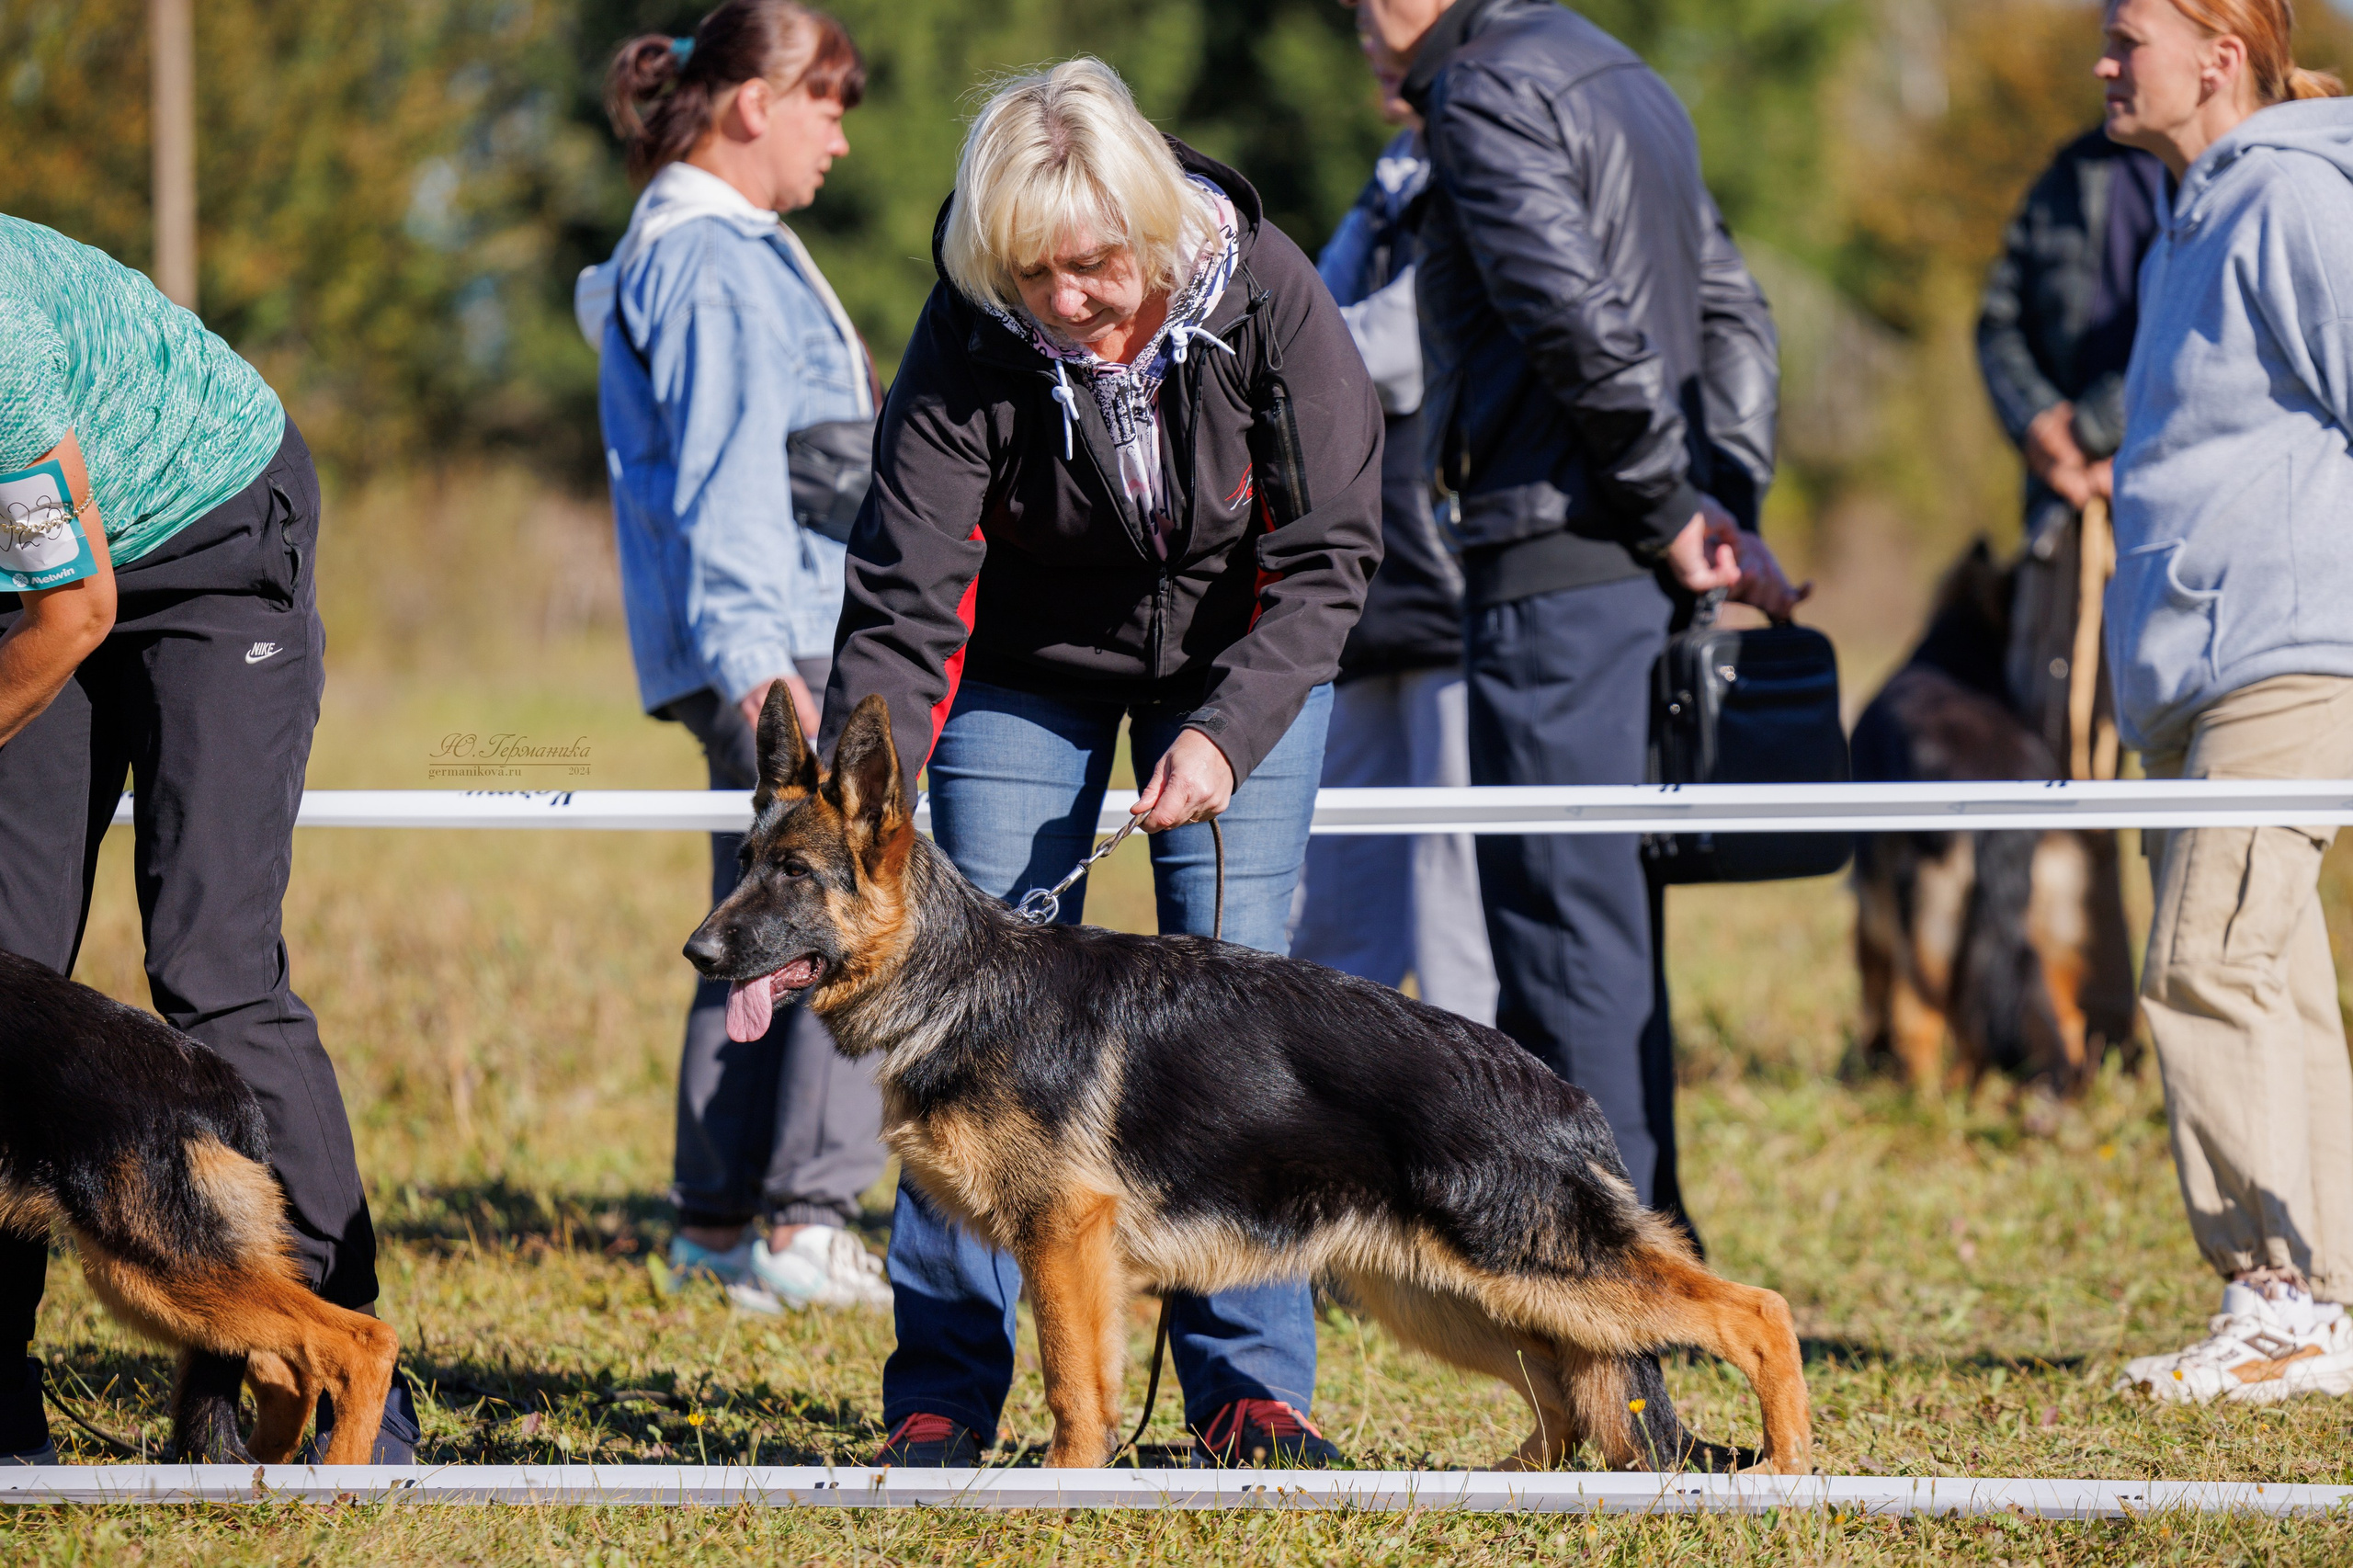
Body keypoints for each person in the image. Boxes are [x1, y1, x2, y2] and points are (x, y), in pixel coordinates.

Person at [820, 59, 1383, 1467]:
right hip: (1029, 670)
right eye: (1034, 276)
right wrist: (851, 794)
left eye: (1091, 265)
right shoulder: (972, 332)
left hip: (1241, 659)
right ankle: (945, 1392)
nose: (1067, 299)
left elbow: (1326, 561)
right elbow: (902, 591)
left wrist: (1224, 732)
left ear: (1147, 219)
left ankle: (1251, 1389)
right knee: (956, 1012)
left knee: (1239, 1018)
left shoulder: (1268, 296)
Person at [1349, 0, 1800, 1229]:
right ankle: (1651, 1257)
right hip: (1631, 566)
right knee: (1606, 931)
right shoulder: (1624, 77)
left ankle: (1618, 1296)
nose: (1357, 30)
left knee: (1560, 944)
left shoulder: (1485, 90)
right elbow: (1734, 313)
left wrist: (1672, 508)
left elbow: (1573, 320)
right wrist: (1724, 504)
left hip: (1562, 561)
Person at [0, 215, 415, 1463]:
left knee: (213, 961)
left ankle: (352, 1379)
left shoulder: (3, 348)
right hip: (40, 575)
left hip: (209, 539)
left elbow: (79, 609)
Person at [583, 0, 889, 1312]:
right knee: (844, 920)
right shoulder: (710, 259)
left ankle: (717, 1224)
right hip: (786, 650)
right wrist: (768, 672)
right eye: (828, 102)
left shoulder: (716, 245)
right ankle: (807, 1220)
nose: (838, 138)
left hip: (777, 642)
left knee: (751, 924)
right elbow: (723, 488)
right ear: (755, 103)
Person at [2095, 0, 2353, 1404]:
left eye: (2126, 35)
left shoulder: (2300, 200)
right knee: (2278, 979)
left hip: (2291, 652)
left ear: (2219, 52)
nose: (2103, 62)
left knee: (2205, 965)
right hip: (2192, 669)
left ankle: (2278, 1300)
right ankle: (2327, 1301)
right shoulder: (2193, 218)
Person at [1288, 19, 1497, 1025]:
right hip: (1364, 583)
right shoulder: (1393, 174)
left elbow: (1393, 346)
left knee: (1458, 884)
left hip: (1452, 573)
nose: (1369, 29)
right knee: (1338, 879)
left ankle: (1480, 1118)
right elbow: (1316, 319)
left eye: (1393, 11)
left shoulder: (1481, 157)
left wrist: (1269, 361)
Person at [1977, 122, 2168, 764]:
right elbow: (1999, 320)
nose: (2103, 64)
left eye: (2127, 43)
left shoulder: (2231, 178)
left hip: (2172, 513)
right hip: (2065, 509)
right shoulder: (2071, 172)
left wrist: (2098, 434)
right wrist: (2042, 429)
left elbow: (2184, 334)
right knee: (2055, 753)